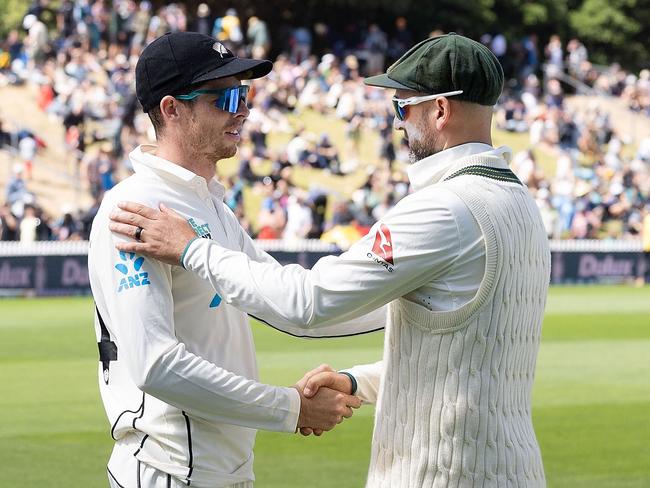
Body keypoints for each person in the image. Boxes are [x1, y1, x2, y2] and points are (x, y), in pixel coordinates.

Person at [110, 33, 551, 487]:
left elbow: (309, 303)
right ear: (170, 109)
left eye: (402, 107)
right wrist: (356, 383)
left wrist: (190, 249)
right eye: (228, 96)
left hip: (443, 471)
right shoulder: (520, 204)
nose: (398, 125)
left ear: (440, 110)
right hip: (509, 469)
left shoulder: (446, 207)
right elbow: (461, 352)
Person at [89, 32, 366, 488]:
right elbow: (155, 365)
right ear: (172, 109)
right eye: (226, 97)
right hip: (169, 471)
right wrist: (289, 407)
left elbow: (287, 298)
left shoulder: (210, 204)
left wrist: (405, 302)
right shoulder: (132, 209)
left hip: (227, 471)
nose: (243, 109)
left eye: (246, 94)